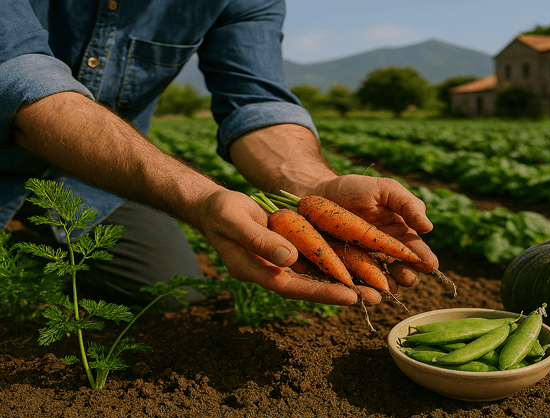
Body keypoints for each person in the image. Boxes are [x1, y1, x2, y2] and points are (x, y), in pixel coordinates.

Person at [0, 0, 438, 307]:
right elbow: (21, 76)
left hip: (97, 180)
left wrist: (317, 185)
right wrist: (200, 197)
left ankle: (33, 241)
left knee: (171, 294)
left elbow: (254, 102)